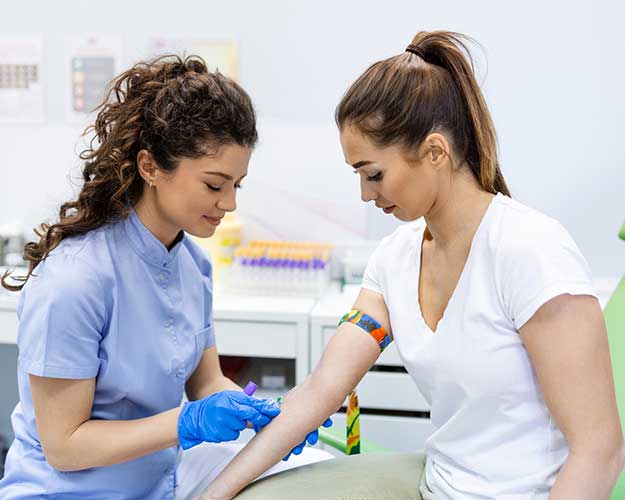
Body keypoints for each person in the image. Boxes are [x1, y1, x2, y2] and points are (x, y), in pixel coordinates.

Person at [200, 31, 625, 500]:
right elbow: (321, 391)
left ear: (436, 152)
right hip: (438, 486)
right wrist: (215, 493)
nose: (365, 193)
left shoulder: (530, 250)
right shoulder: (395, 260)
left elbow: (599, 450)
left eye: (373, 173)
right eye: (358, 175)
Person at [0, 55, 331, 500]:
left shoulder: (192, 266)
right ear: (150, 167)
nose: (230, 203)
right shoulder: (75, 281)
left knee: (321, 473)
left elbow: (207, 383)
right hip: (68, 492)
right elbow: (64, 446)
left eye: (238, 184)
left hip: (159, 482)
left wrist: (266, 414)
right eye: (215, 185)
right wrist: (186, 422)